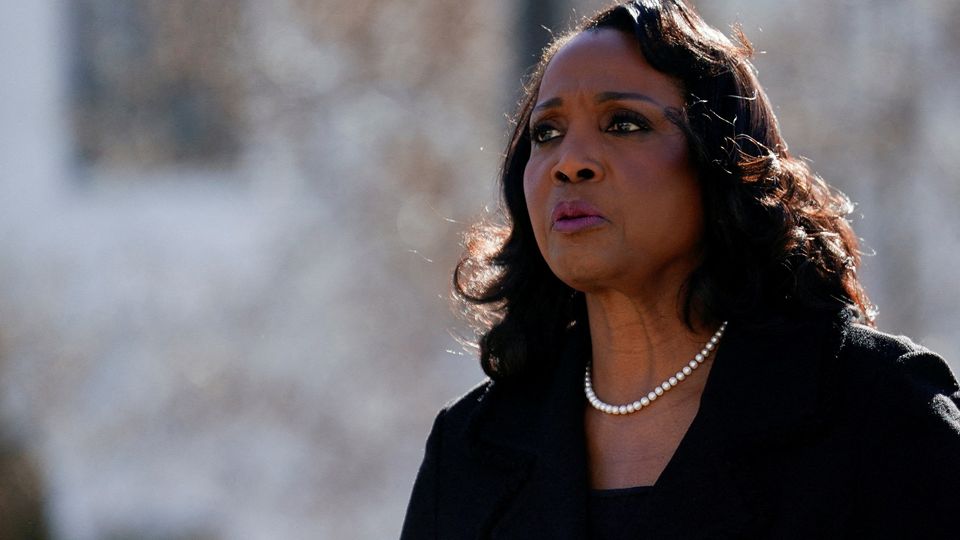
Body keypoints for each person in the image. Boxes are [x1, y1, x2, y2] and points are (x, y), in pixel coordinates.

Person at [401, 1, 960, 538]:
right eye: (546, 133)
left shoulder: (878, 410)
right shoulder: (469, 452)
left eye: (624, 123)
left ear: (722, 162)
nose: (569, 162)